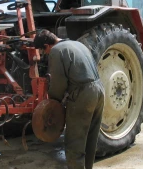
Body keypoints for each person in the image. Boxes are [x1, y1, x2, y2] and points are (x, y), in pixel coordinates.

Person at [33, 29, 105, 169]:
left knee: (74, 144)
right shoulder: (78, 44)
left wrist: (52, 104)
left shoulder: (56, 51)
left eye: (43, 52)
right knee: (90, 140)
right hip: (99, 90)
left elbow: (59, 83)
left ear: (47, 46)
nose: (45, 55)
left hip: (83, 95)